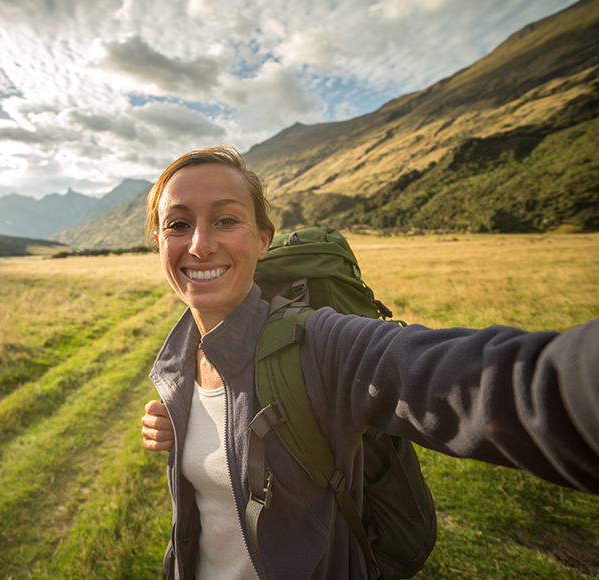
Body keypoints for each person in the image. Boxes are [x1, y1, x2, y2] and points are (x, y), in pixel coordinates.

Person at [139, 144, 599, 580]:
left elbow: (486, 381)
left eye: (225, 220)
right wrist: (184, 424)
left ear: (263, 241)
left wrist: (576, 387)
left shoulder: (320, 344)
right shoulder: (181, 355)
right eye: (178, 225)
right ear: (158, 241)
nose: (199, 244)